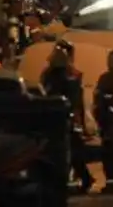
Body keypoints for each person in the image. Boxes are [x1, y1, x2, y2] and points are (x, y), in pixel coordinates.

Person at [40, 40, 93, 193]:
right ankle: (80, 178)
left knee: (70, 151)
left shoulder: (68, 76)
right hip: (60, 118)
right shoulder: (61, 75)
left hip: (63, 119)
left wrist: (78, 121)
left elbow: (74, 99)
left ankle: (74, 179)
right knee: (71, 151)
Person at [94, 49, 113, 193]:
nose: (109, 63)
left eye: (112, 60)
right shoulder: (104, 77)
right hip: (106, 121)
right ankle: (111, 181)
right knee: (108, 154)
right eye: (109, 60)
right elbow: (98, 99)